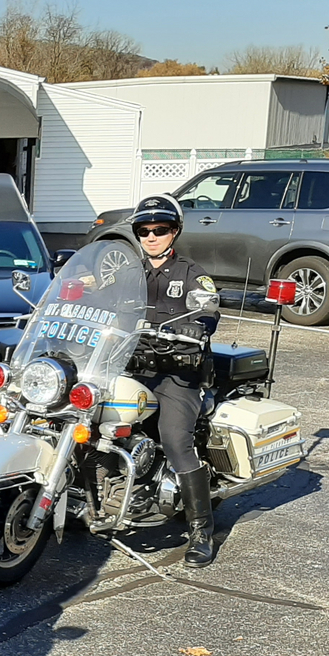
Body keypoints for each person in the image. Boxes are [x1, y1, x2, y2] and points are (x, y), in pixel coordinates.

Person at [131, 193, 220, 567]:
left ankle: (201, 530)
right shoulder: (128, 272)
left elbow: (208, 312)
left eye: (160, 229)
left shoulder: (191, 274)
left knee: (174, 439)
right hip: (131, 368)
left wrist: (196, 325)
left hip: (176, 373)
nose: (151, 237)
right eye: (144, 230)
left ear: (175, 231)